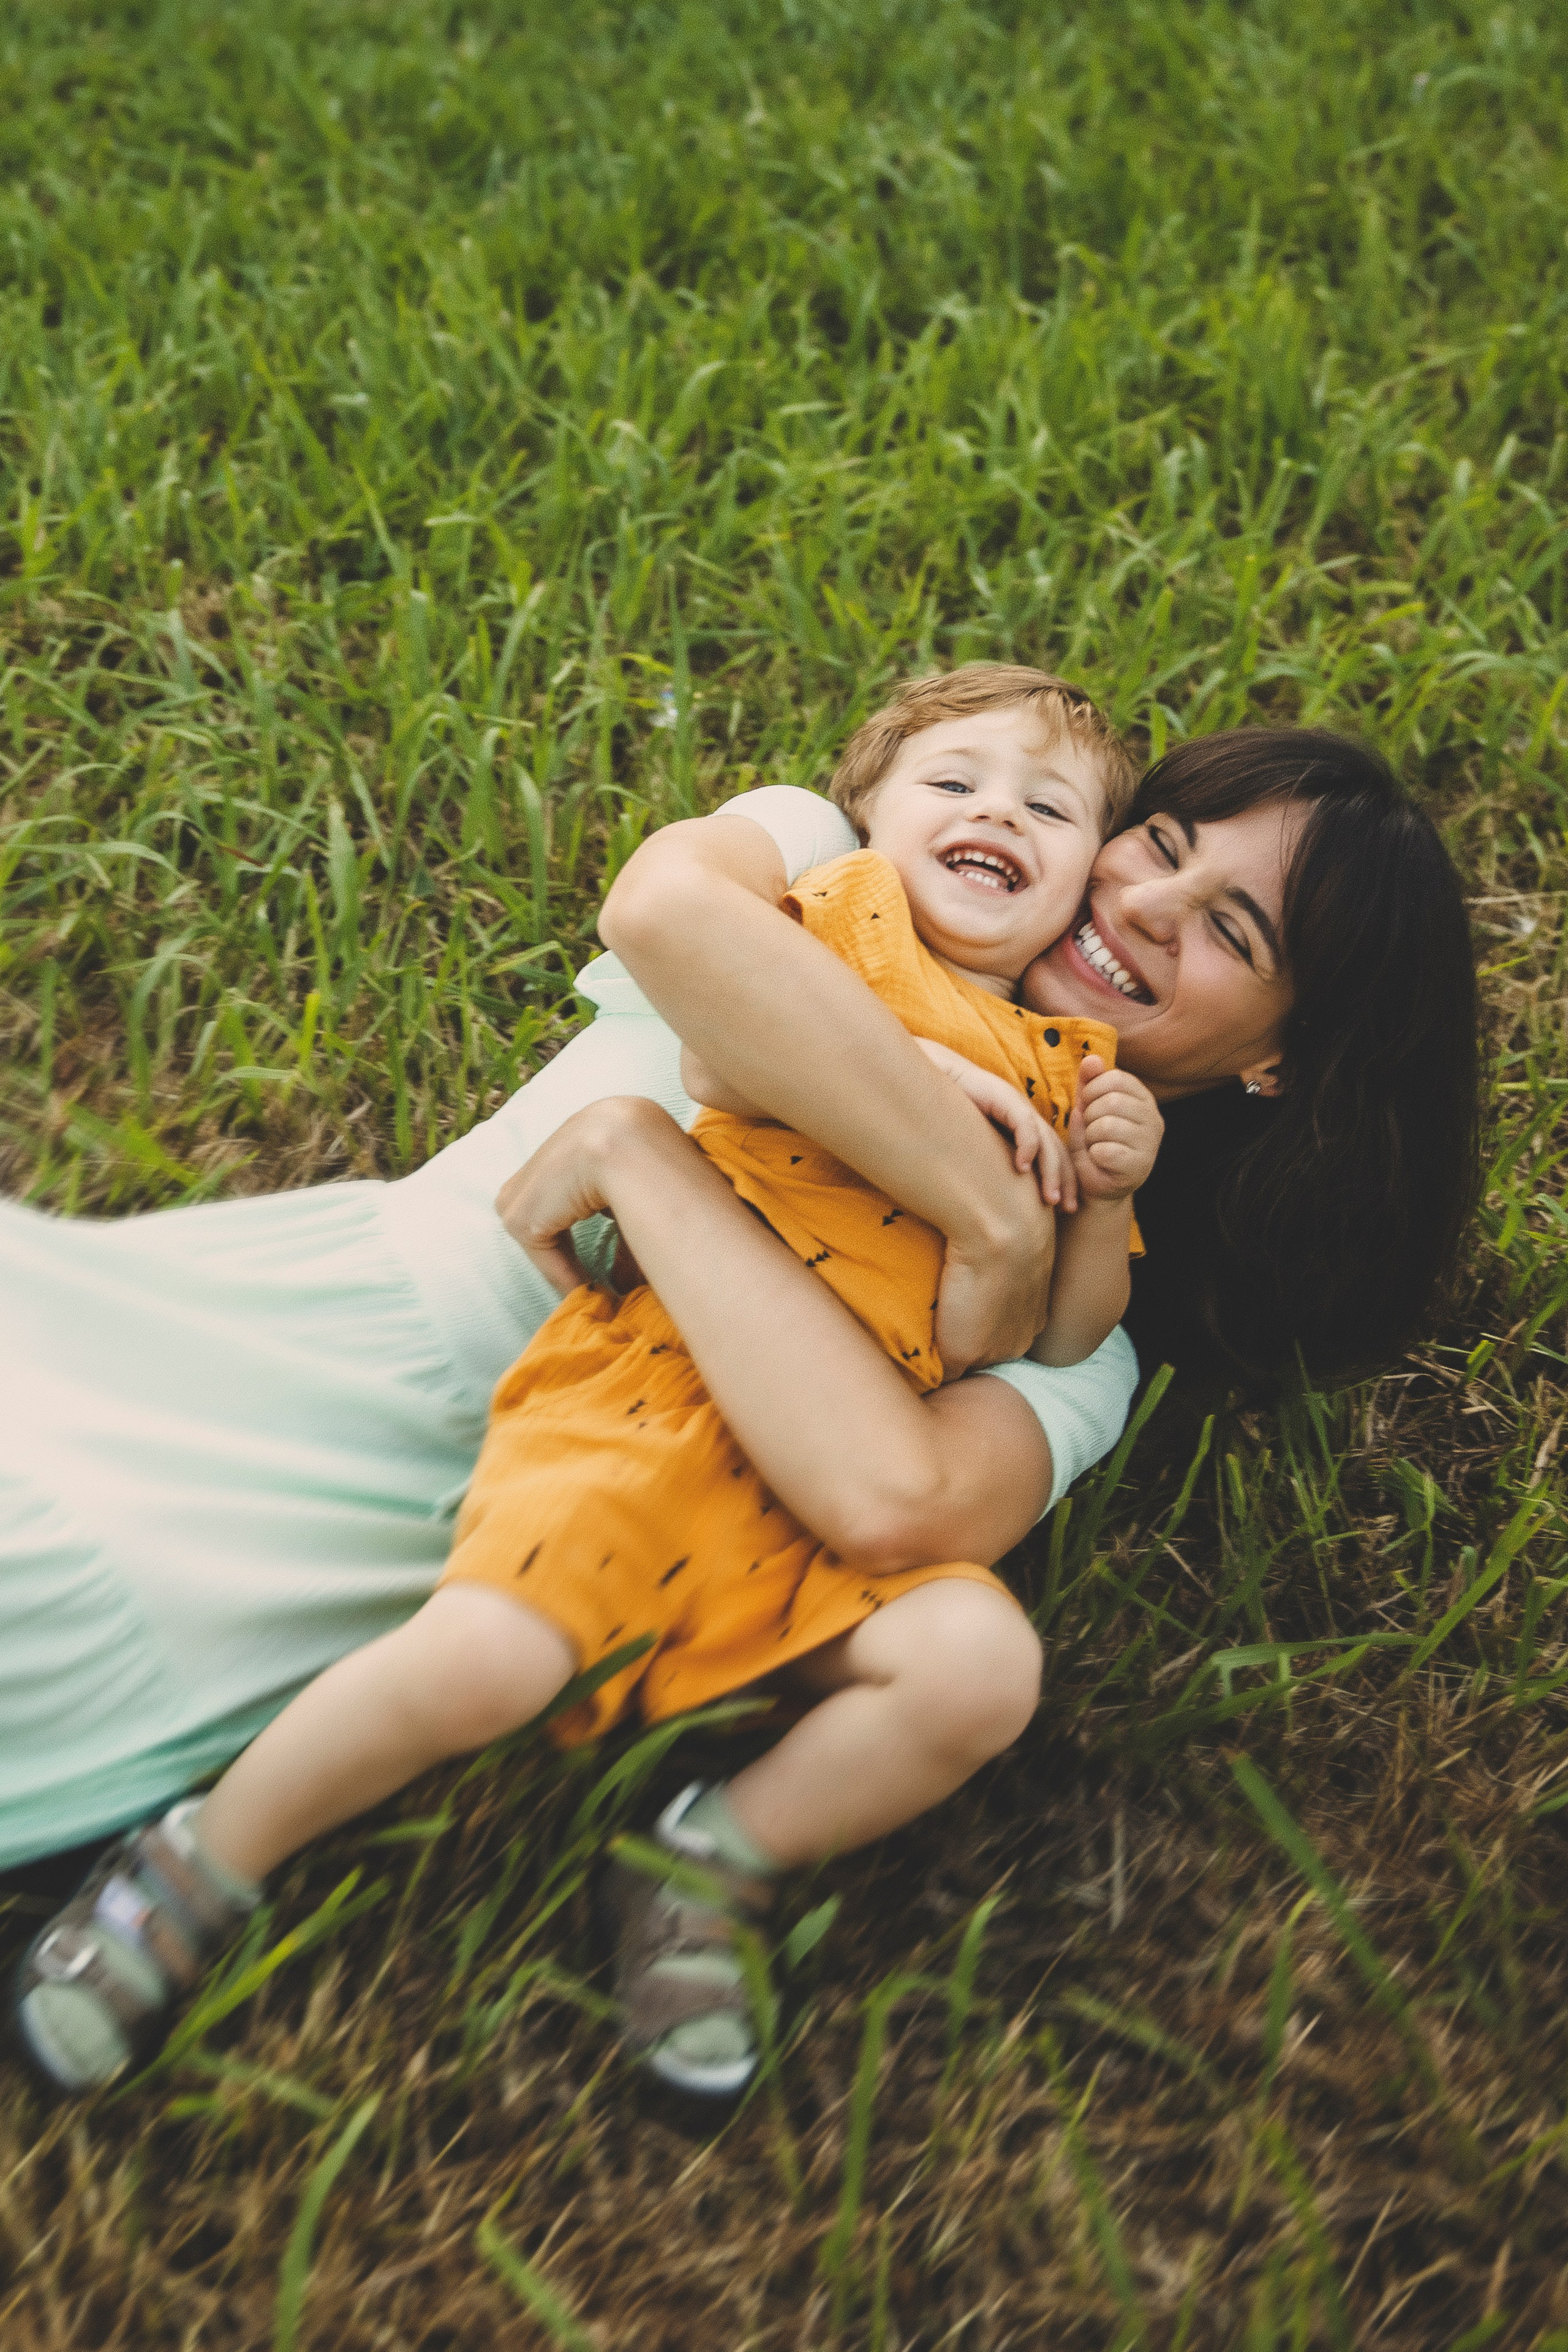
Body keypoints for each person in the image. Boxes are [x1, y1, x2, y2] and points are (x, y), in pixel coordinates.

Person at [13, 675, 1480, 2101]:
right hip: (344, 1341)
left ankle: (692, 1865)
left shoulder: (1083, 1325)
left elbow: (894, 1499)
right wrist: (974, 1194)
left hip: (526, 1539)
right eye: (1156, 843)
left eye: (1229, 928)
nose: (1146, 904)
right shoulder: (833, 872)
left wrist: (644, 1163)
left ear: (1278, 1057)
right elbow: (662, 918)